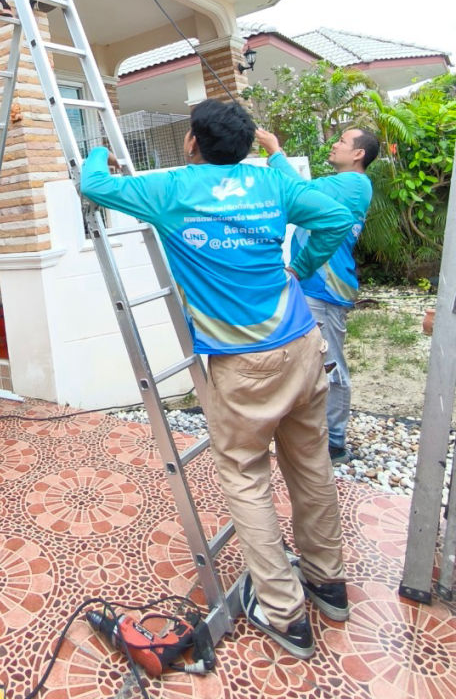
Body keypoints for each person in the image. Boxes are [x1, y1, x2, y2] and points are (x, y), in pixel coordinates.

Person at [80, 98, 354, 660]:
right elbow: (334, 217)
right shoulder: (271, 184)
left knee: (245, 475)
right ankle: (328, 584)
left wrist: (98, 147)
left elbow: (95, 186)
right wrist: (299, 270)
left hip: (242, 363)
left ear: (191, 143)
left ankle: (283, 613)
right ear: (249, 146)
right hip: (303, 346)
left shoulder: (174, 189)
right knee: (310, 466)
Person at [256, 126, 378, 463]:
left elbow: (299, 191)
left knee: (330, 364)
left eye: (342, 141)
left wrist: (274, 150)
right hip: (312, 285)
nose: (334, 144)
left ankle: (334, 441)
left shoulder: (354, 183)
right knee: (307, 361)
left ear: (359, 154)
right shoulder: (346, 183)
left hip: (326, 288)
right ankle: (314, 434)